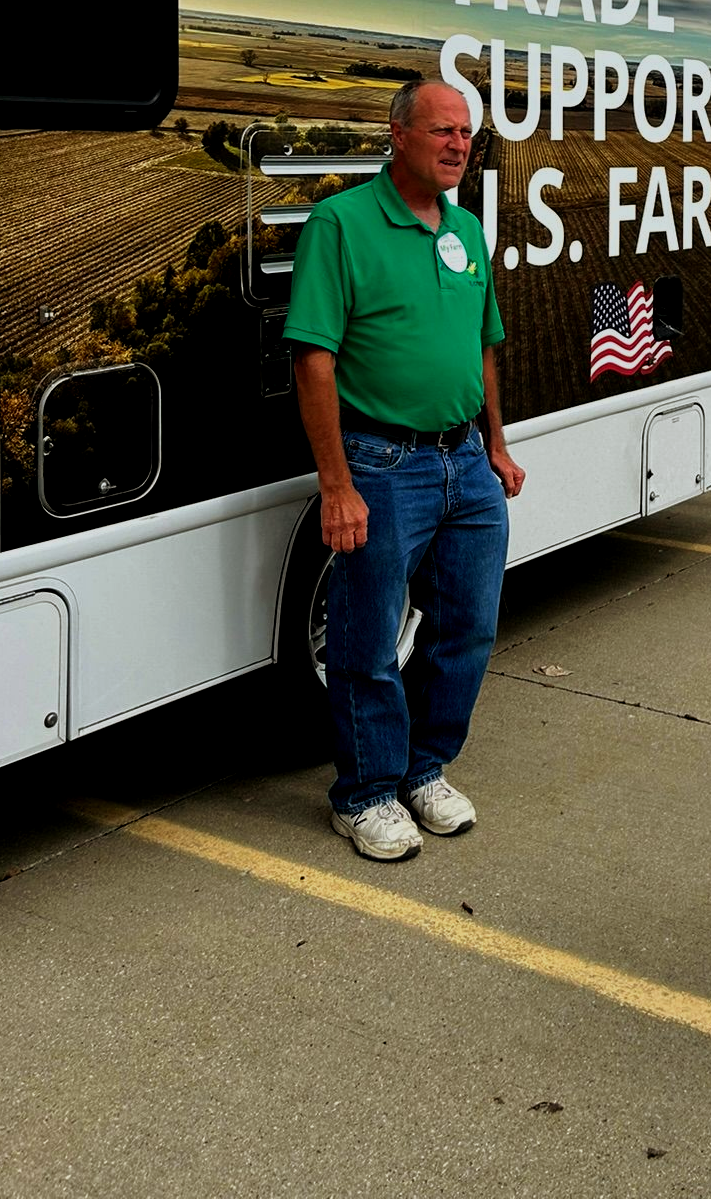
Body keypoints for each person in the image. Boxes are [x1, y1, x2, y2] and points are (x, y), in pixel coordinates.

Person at [284, 79, 525, 861]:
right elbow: (313, 358)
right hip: (381, 464)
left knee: (467, 630)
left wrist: (495, 444)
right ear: (398, 134)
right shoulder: (342, 224)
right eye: (442, 131)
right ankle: (364, 795)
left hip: (465, 461)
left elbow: (482, 344)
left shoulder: (464, 230)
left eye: (466, 133)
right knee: (367, 639)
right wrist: (336, 484)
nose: (458, 145)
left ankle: (425, 772)